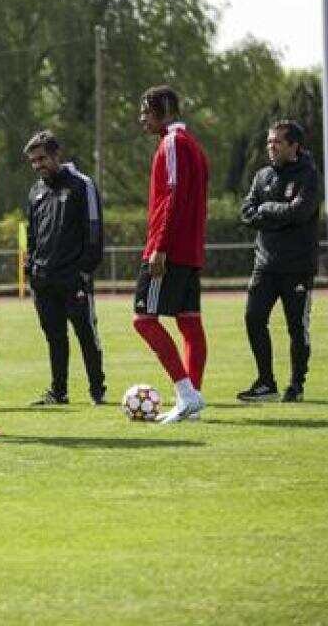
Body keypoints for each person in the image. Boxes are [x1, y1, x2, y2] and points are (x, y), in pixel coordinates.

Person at [131, 85, 209, 424]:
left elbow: (174, 197)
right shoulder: (193, 145)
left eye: (146, 111)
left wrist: (160, 246)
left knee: (143, 319)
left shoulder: (173, 143)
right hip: (189, 250)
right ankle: (192, 399)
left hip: (170, 250)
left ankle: (186, 394)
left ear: (163, 109)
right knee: (189, 323)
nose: (142, 119)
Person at [21, 131, 107, 407]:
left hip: (74, 278)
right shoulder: (36, 191)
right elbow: (33, 235)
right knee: (55, 337)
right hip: (43, 279)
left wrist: (84, 271)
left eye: (42, 158)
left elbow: (94, 231)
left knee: (86, 334)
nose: (37, 165)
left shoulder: (83, 185)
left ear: (57, 155)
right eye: (33, 161)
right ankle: (58, 392)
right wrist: (31, 266)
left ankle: (97, 390)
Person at [238, 120, 321, 403]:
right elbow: (247, 213)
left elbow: (299, 213)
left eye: (277, 142)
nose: (270, 147)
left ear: (293, 146)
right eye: (269, 142)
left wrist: (267, 209)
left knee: (297, 327)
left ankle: (296, 385)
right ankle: (265, 382)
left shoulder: (309, 175)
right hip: (265, 265)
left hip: (297, 266)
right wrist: (276, 214)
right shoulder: (261, 176)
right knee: (253, 318)